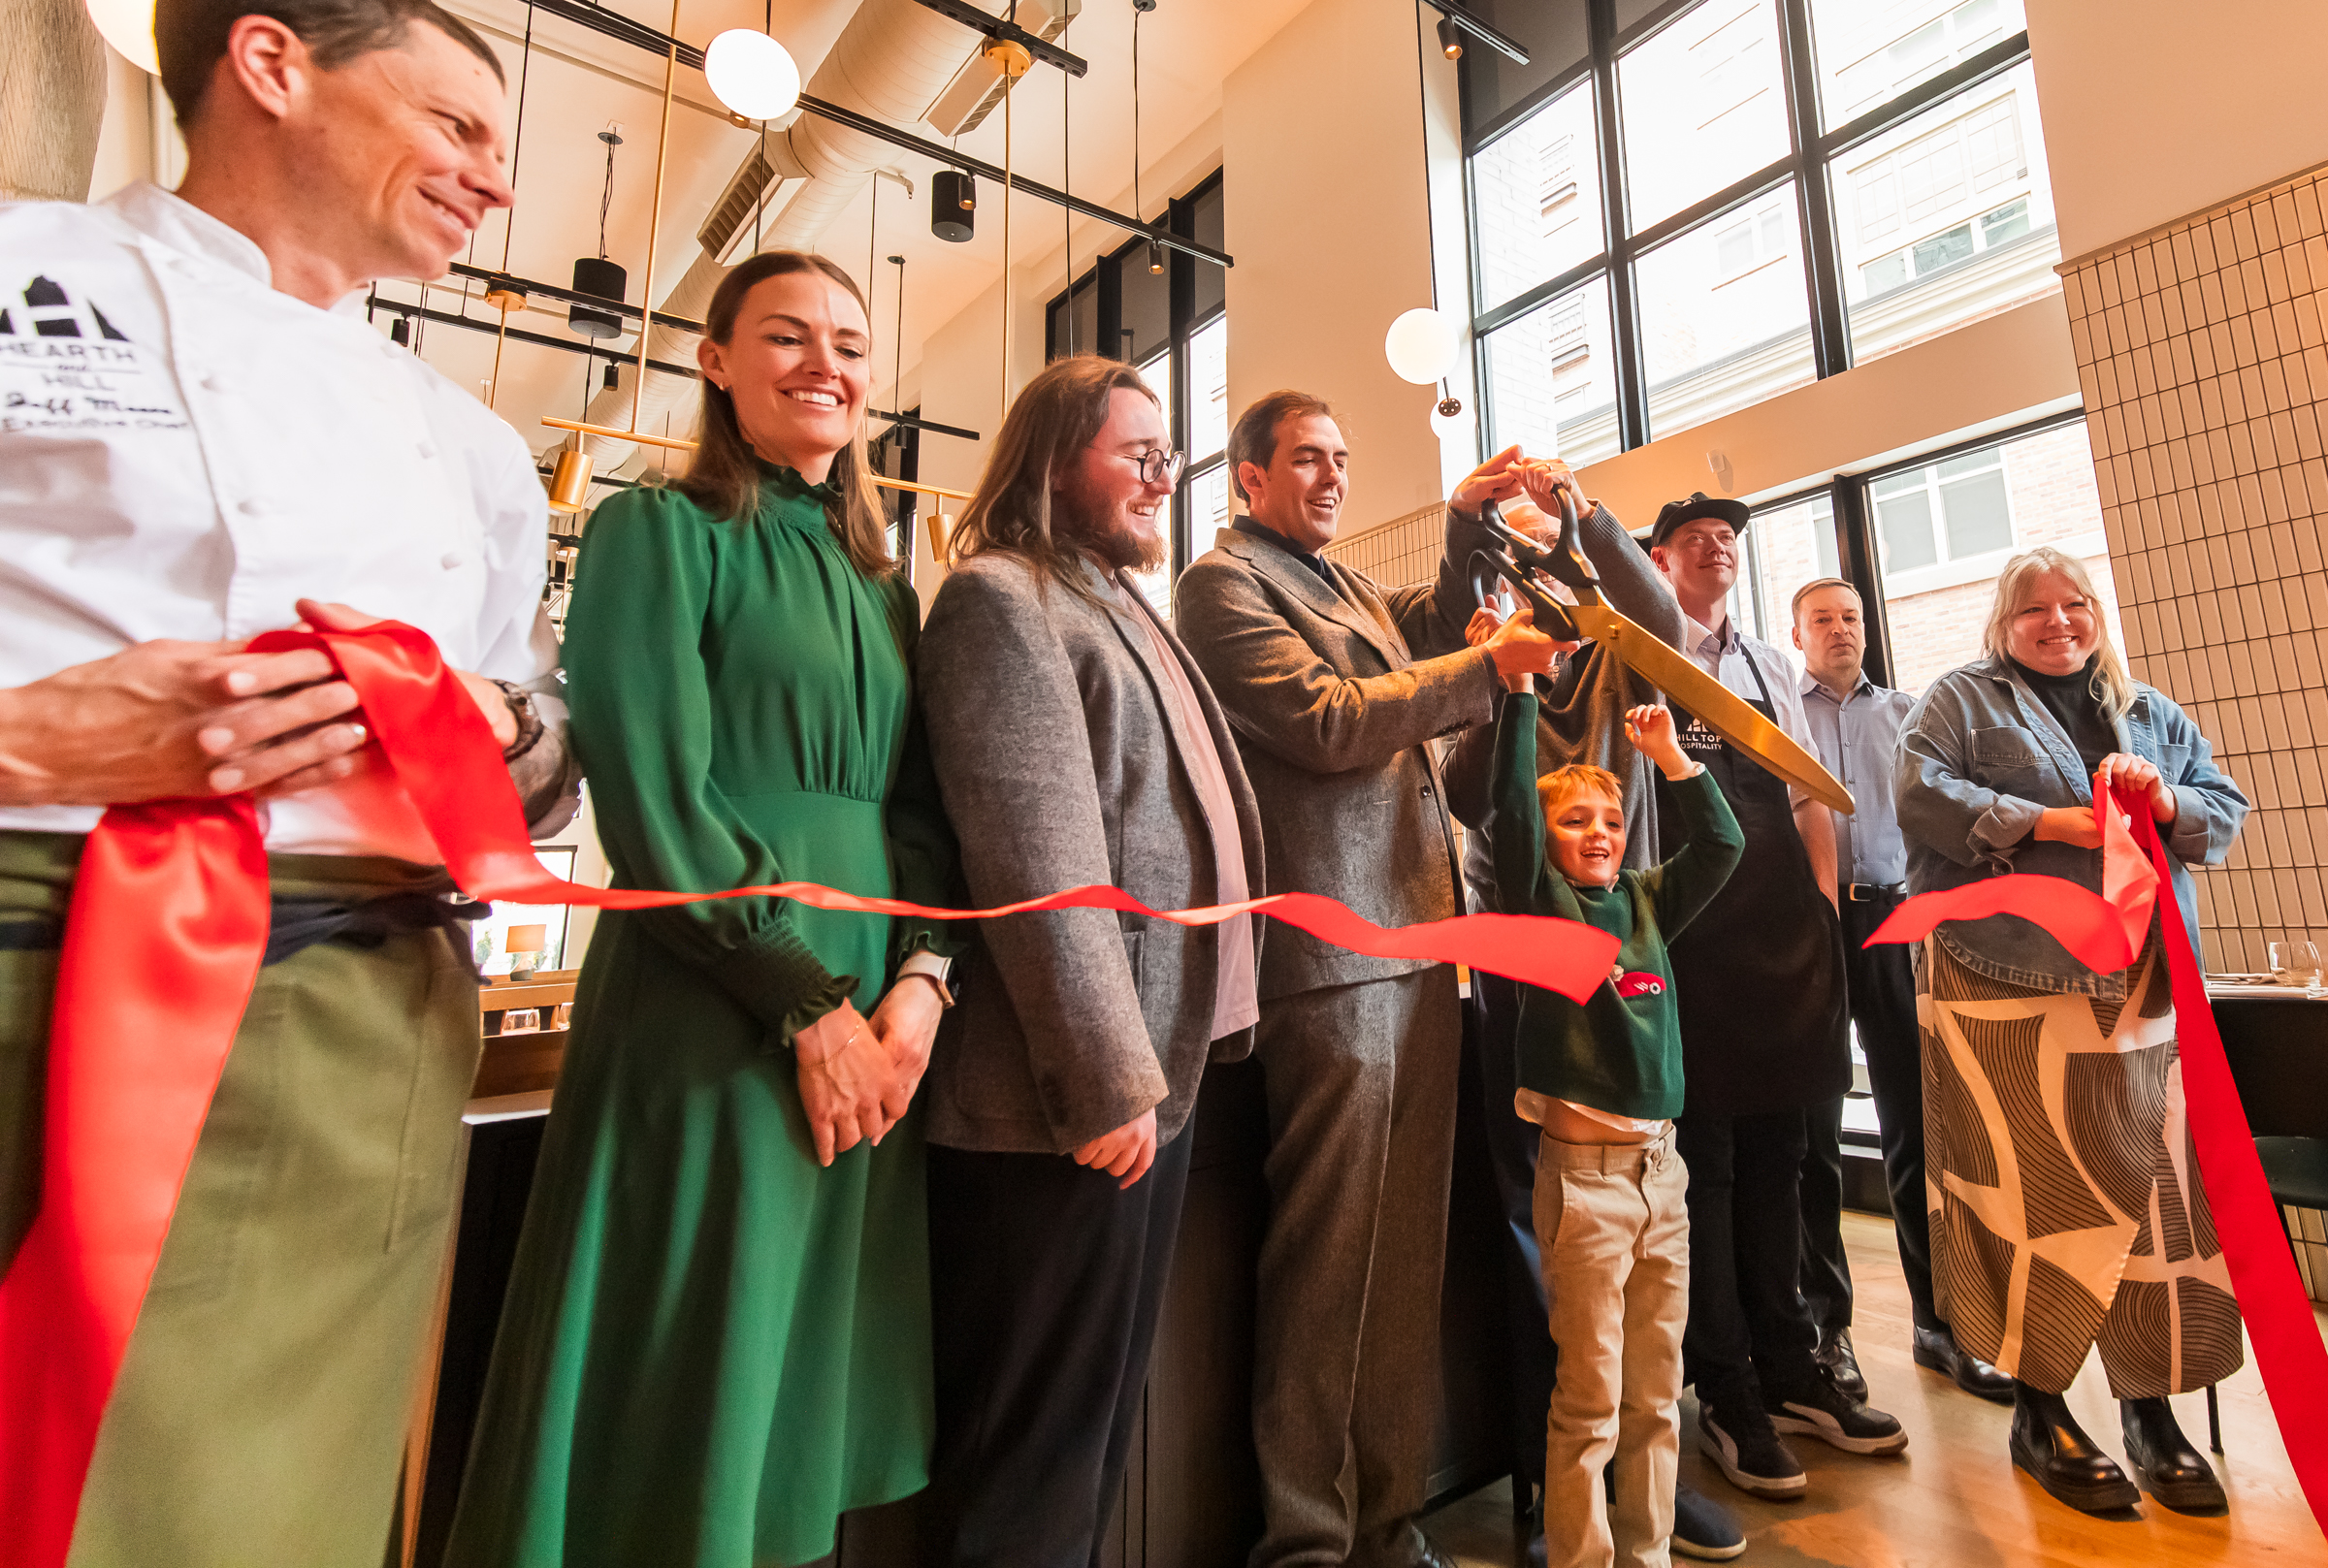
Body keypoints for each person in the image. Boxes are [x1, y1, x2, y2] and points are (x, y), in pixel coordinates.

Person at [0, 2, 575, 1561]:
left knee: (279, 1507)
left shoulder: (472, 450)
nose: (493, 179)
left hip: (365, 1031)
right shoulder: (23, 273)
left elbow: (540, 749)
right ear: (272, 65)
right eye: (458, 125)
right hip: (46, 974)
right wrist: (29, 737)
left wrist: (496, 733)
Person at [444, 253, 962, 1567]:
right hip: (721, 990)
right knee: (692, 1346)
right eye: (787, 336)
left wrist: (920, 981)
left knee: (799, 1366)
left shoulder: (885, 586)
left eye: (850, 343)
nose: (825, 363)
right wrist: (802, 998)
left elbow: (921, 808)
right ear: (716, 362)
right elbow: (652, 791)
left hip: (874, 1011)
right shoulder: (655, 530)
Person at [1175, 396, 1561, 1568]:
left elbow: (1432, 626)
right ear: (1249, 477)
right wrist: (1485, 669)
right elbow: (1329, 721)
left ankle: (1389, 1525)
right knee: (1330, 1261)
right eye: (1308, 459)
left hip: (1423, 944)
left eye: (1342, 460)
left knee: (1404, 1262)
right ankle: (1305, 1539)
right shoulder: (1221, 585)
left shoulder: (1342, 583)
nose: (1333, 478)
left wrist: (1465, 523)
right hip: (1330, 958)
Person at [913, 354, 1266, 1567]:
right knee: (1035, 1463)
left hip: (1153, 1085)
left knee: (1098, 1439)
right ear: (1056, 462)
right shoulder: (1001, 597)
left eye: (1171, 455)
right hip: (1060, 1107)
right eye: (1139, 454)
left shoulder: (1116, 600)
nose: (1165, 477)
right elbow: (1039, 861)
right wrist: (1109, 1078)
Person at [1897, 546, 2248, 1518]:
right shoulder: (1958, 701)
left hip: (2144, 991)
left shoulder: (2148, 709)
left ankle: (2150, 1409)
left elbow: (2223, 806)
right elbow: (1920, 797)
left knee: (2154, 1201)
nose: (2058, 621)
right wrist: (2049, 823)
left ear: (2097, 611)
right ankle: (2040, 1410)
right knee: (2031, 1199)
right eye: (2033, 609)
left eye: (2074, 603)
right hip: (2006, 983)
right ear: (2001, 625)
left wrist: (2164, 800)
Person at [1441, 466, 1746, 1563]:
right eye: (1527, 564)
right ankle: (1551, 1487)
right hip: (1524, 957)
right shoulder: (1500, 655)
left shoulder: (1624, 650)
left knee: (1655, 1275)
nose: (1549, 581)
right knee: (1542, 1231)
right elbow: (1472, 795)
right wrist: (1504, 678)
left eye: (1559, 559)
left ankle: (1648, 1487)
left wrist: (1579, 510)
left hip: (1632, 933)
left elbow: (1658, 608)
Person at [1642, 495, 1905, 1500]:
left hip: (1783, 937)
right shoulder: (1640, 658)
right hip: (1691, 943)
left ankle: (1792, 1366)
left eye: (1728, 539)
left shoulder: (1762, 666)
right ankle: (1725, 1387)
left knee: (1783, 1160)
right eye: (1695, 538)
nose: (1717, 549)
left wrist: (1823, 918)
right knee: (1707, 1169)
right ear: (1659, 559)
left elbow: (1804, 796)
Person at [1484, 677, 1742, 1568]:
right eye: (1575, 821)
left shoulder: (1646, 901)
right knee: (1590, 1401)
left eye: (1610, 820)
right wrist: (1521, 693)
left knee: (1657, 1395)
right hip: (1585, 1186)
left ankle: (1649, 1553)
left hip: (1661, 1179)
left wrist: (1671, 759)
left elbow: (1723, 843)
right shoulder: (1539, 902)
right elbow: (1511, 814)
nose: (1598, 833)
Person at [1790, 578, 2012, 1404]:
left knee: (1917, 1125)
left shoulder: (1911, 715)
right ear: (1798, 633)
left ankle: (1940, 1323)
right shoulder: (1780, 713)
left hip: (1896, 922)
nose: (1840, 629)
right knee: (1812, 1134)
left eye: (1850, 617)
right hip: (1811, 927)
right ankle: (1827, 1330)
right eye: (1822, 619)